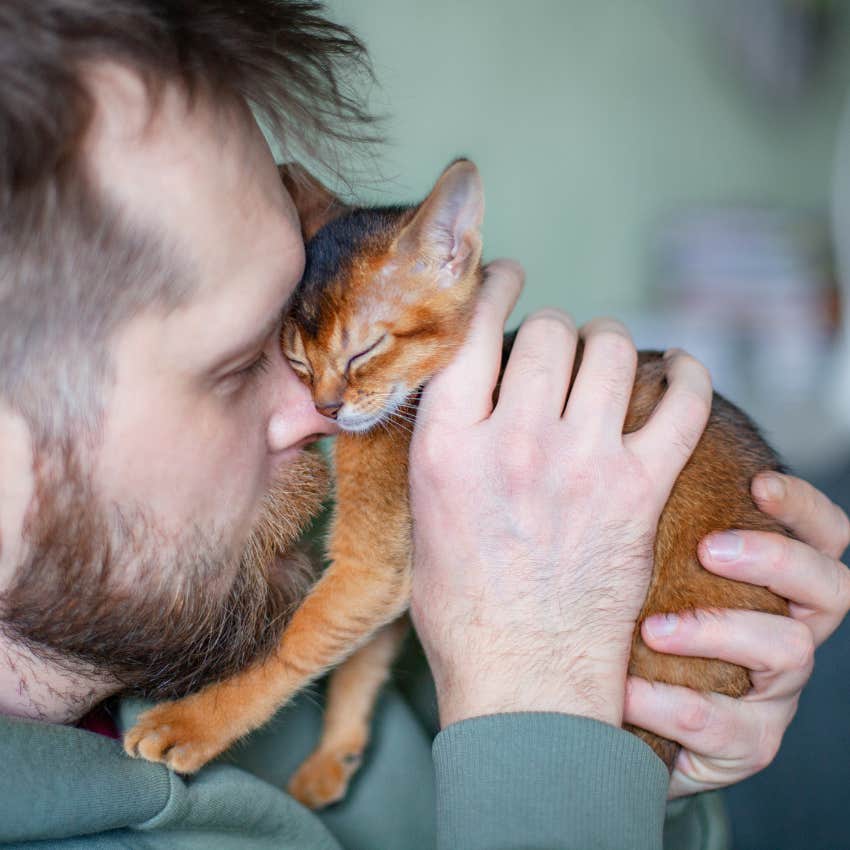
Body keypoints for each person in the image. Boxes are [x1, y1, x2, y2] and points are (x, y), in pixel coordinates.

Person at [1, 3, 848, 849]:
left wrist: (612, 769)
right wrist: (540, 713)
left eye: (281, 337)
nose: (318, 415)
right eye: (232, 368)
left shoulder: (213, 594)